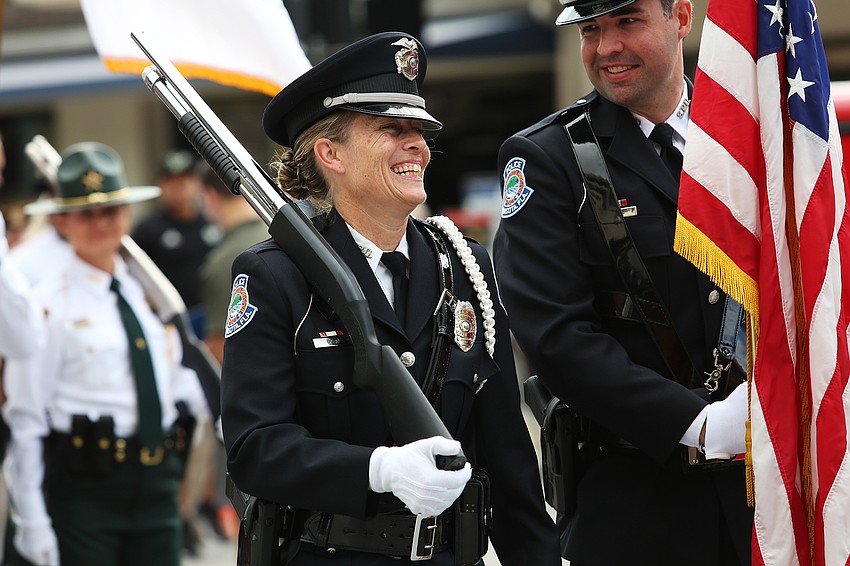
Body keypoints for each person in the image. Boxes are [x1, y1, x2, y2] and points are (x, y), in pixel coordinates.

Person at [220, 31, 561, 565]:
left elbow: (505, 450)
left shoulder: (463, 266)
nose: (418, 146)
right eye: (390, 129)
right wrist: (376, 469)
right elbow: (253, 448)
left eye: (419, 131)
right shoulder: (274, 275)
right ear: (330, 152)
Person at [492, 1, 753, 565]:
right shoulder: (549, 160)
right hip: (636, 503)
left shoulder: (743, 133)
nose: (606, 46)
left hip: (764, 496)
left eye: (627, 21)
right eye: (591, 29)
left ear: (680, 17)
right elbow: (555, 336)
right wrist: (695, 423)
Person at [2, 142, 209, 566]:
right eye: (85, 213)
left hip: (156, 483)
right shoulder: (47, 305)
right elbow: (26, 418)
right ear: (62, 221)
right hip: (85, 488)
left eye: (111, 211)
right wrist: (33, 517)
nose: (100, 223)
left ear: (127, 215)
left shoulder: (148, 295)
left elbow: (173, 378)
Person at [131, 150, 221, 337]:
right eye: (171, 180)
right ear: (161, 184)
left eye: (185, 179)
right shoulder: (148, 229)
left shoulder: (214, 222)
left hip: (215, 317)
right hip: (169, 321)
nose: (179, 186)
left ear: (197, 183)